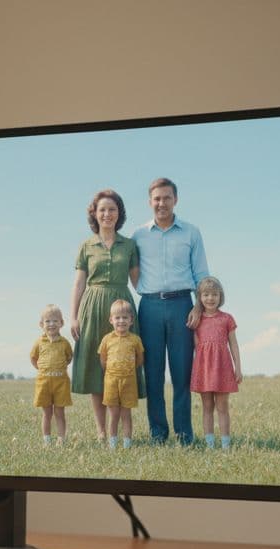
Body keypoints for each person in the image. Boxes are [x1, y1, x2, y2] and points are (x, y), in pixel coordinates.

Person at [131, 178, 210, 445]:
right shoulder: (138, 235)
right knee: (152, 374)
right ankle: (158, 433)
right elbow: (134, 271)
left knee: (181, 373)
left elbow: (201, 274)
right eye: (156, 198)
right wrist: (145, 290)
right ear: (149, 201)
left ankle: (184, 434)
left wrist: (198, 307)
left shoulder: (191, 232)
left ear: (175, 199)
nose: (161, 203)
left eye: (166, 197)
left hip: (182, 307)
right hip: (149, 307)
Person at [70, 189, 143, 443]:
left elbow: (138, 282)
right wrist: (74, 317)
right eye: (102, 209)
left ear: (119, 213)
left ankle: (123, 432)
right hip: (92, 306)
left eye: (112, 209)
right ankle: (102, 431)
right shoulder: (86, 246)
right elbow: (79, 284)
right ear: (95, 214)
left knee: (121, 366)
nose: (107, 214)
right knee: (95, 368)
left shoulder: (130, 245)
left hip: (122, 307)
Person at [189, 276, 241, 449]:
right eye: (206, 295)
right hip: (204, 369)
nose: (210, 298)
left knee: (222, 407)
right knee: (207, 407)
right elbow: (196, 347)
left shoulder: (227, 319)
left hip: (222, 368)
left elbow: (233, 344)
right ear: (200, 297)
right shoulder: (196, 319)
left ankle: (226, 445)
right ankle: (210, 445)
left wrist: (238, 368)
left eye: (214, 295)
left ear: (220, 296)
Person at [98, 299, 145, 449]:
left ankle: (127, 444)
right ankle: (112, 444)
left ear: (131, 320)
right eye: (117, 318)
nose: (121, 321)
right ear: (111, 320)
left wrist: (128, 370)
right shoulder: (107, 339)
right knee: (114, 415)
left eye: (125, 317)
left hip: (129, 382)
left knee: (126, 414)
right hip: (111, 381)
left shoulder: (135, 340)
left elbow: (140, 359)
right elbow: (103, 359)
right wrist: (113, 371)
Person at [30, 304, 73, 446]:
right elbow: (33, 358)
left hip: (61, 382)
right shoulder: (39, 343)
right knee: (47, 413)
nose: (51, 324)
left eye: (55, 321)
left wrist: (58, 368)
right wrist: (43, 370)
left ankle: (61, 439)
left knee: (60, 412)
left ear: (61, 323)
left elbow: (69, 357)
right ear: (41, 324)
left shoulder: (65, 343)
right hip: (44, 382)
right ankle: (46, 440)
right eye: (47, 321)